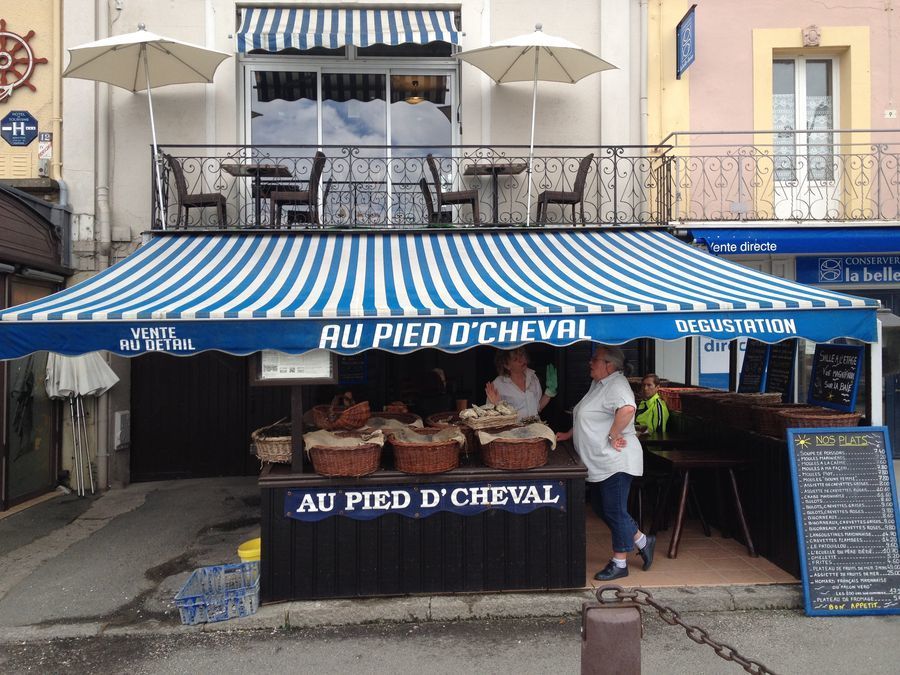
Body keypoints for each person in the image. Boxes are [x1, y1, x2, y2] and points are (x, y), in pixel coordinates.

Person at [556, 346, 655, 580]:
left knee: (614, 509)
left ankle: (620, 562)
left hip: (616, 460)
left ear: (609, 365)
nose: (590, 363)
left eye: (595, 359)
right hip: (600, 462)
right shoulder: (599, 385)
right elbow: (587, 415)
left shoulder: (617, 385)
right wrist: (569, 434)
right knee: (602, 507)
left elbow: (628, 409)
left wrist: (613, 434)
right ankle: (642, 540)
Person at [484, 347, 557, 421]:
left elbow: (537, 408)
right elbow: (490, 418)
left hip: (535, 428)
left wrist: (549, 393)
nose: (521, 360)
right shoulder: (498, 385)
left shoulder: (533, 377)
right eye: (515, 359)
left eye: (522, 355)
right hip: (512, 431)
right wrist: (497, 406)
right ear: (507, 365)